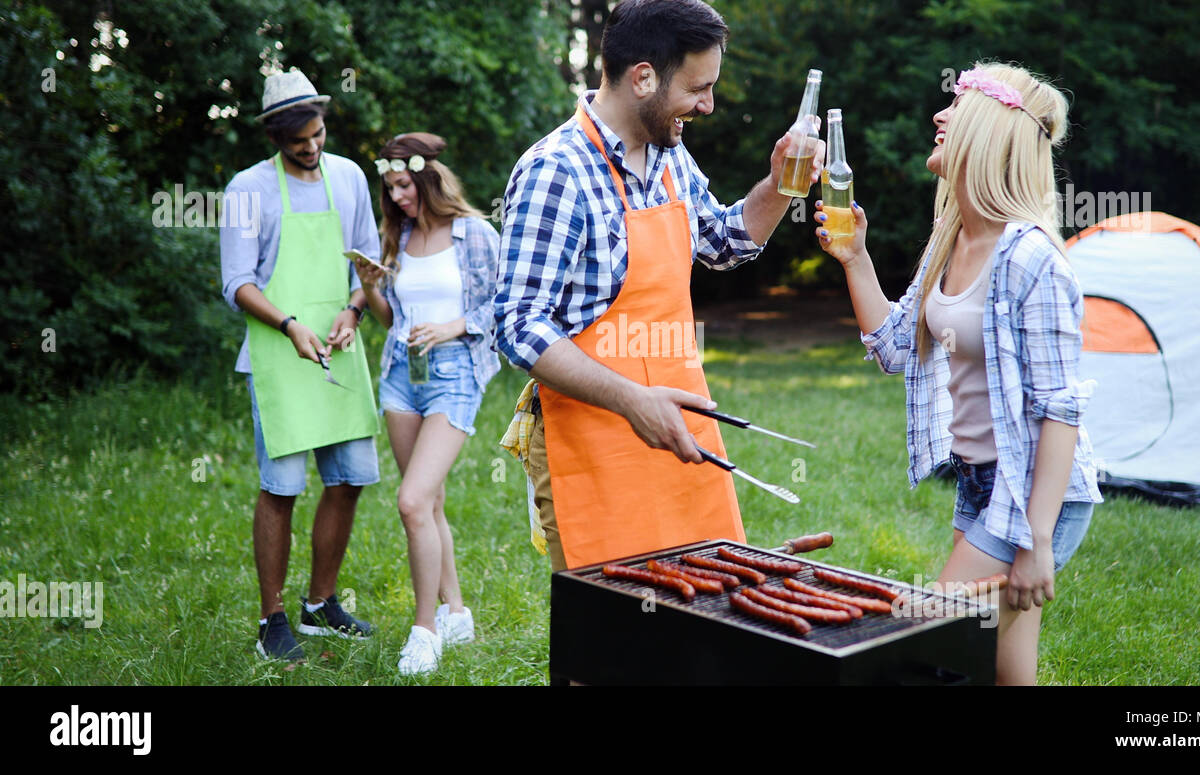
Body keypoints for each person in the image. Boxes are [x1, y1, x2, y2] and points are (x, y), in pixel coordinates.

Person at [495, 0, 823, 571]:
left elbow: (723, 242)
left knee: (703, 618)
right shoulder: (557, 171)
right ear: (643, 77)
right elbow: (519, 326)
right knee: (610, 641)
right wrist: (632, 402)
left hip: (679, 430)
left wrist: (779, 183)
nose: (708, 105)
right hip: (594, 445)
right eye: (699, 88)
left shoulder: (670, 157)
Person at [814, 62, 1103, 684]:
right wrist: (855, 257)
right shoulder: (952, 235)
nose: (939, 117)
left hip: (1032, 494)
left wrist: (1038, 542)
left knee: (920, 643)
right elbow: (895, 348)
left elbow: (1061, 408)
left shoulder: (1032, 258)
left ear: (988, 132)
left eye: (956, 108)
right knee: (1005, 665)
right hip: (980, 483)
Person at [220, 70, 381, 661]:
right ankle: (273, 620)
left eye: (316, 135)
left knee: (351, 477)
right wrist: (289, 325)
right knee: (282, 487)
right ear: (275, 138)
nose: (311, 149)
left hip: (338, 345)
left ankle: (321, 604)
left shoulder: (348, 176)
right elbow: (236, 282)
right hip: (279, 352)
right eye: (298, 142)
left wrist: (353, 311)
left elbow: (368, 264)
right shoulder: (246, 189)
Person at [353, 133, 500, 676]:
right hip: (400, 378)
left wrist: (454, 326)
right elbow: (391, 319)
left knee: (411, 502)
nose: (396, 197)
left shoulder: (474, 234)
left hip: (455, 376)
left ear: (428, 180)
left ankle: (426, 631)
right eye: (389, 189)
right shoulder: (399, 238)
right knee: (430, 504)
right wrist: (371, 288)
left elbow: (505, 306)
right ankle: (456, 612)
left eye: (403, 186)